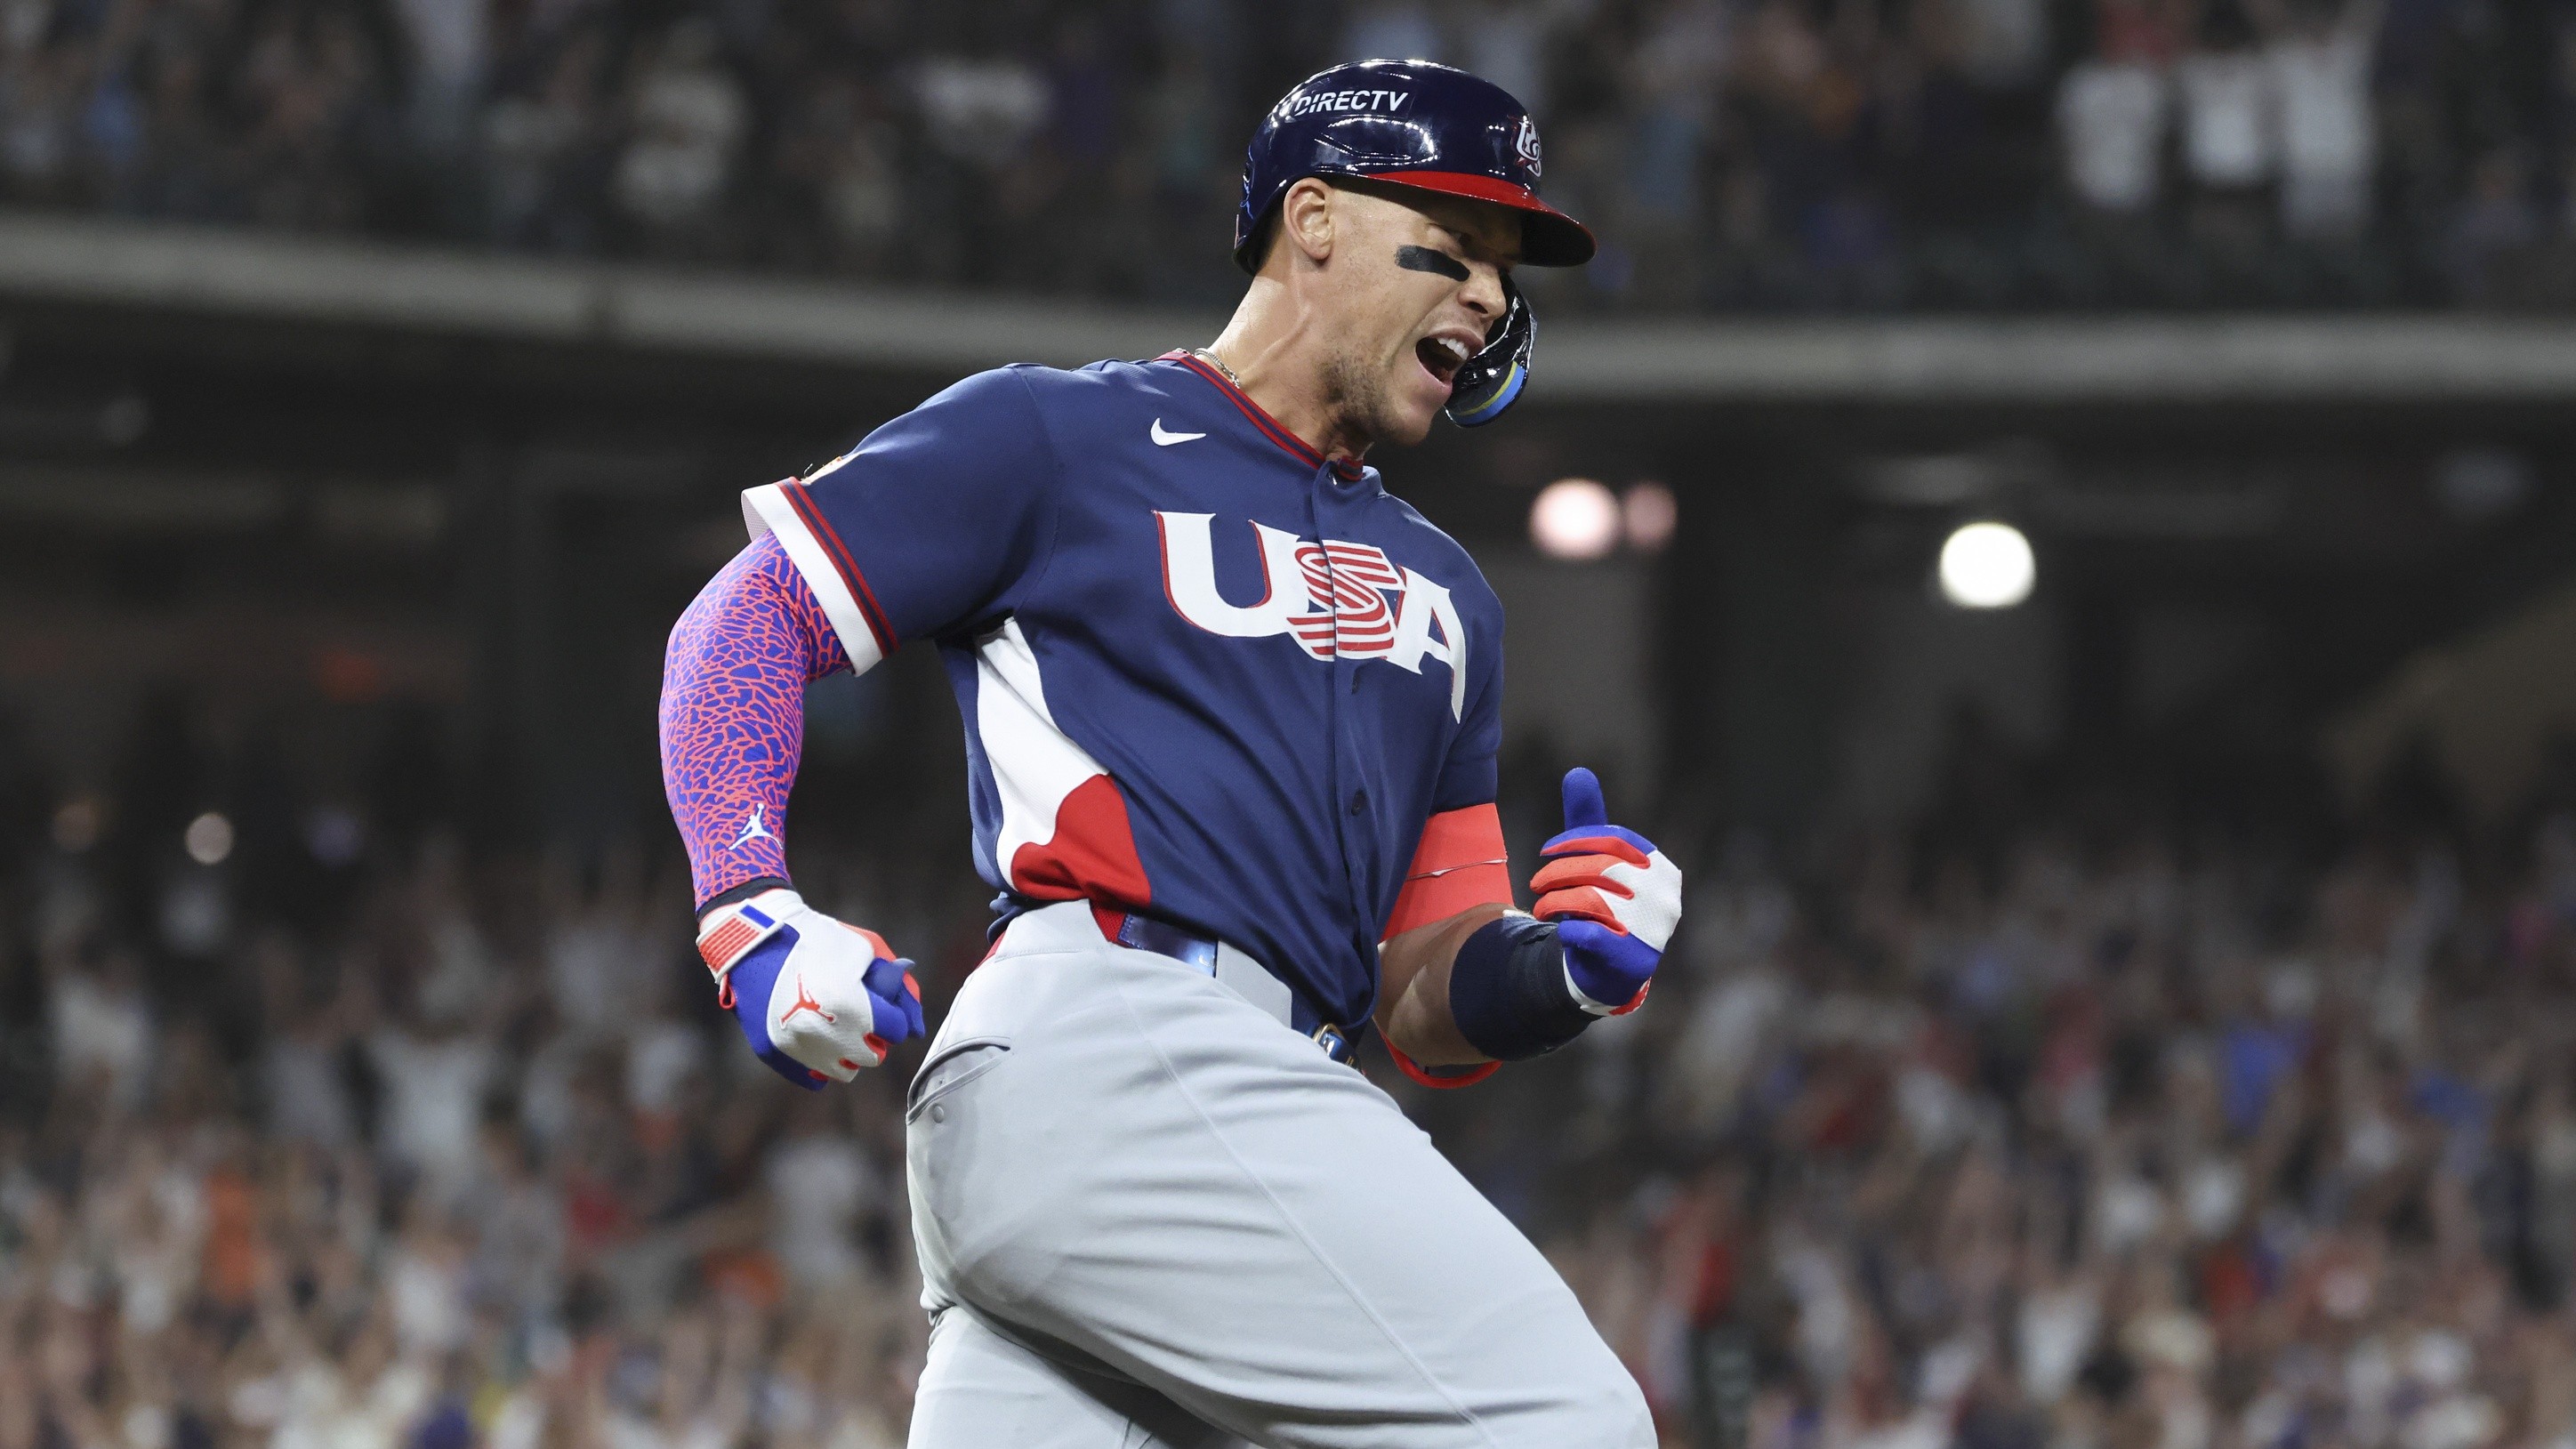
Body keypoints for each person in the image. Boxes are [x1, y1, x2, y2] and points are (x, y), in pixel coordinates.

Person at [656, 60, 1681, 1447]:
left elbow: (1422, 992)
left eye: (1506, 269)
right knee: (1569, 1422)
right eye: (1455, 243)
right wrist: (748, 901)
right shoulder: (1062, 435)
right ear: (1313, 220)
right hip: (1115, 1037)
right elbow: (749, 616)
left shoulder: (1452, 595)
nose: (1493, 295)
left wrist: (1559, 969)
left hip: (1212, 1106)